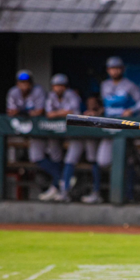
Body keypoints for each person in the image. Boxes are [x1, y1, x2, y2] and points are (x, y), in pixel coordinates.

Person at [81, 56, 140, 204]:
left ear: (122, 69)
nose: (115, 71)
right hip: (108, 125)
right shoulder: (104, 85)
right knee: (102, 161)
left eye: (117, 68)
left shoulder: (129, 85)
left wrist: (132, 110)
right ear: (108, 70)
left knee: (128, 161)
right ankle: (99, 192)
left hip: (124, 126)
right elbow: (105, 106)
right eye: (112, 68)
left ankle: (129, 195)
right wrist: (96, 112)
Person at [7, 70, 64, 201]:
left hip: (49, 128)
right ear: (17, 83)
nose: (24, 85)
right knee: (35, 156)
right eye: (21, 82)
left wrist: (21, 112)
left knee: (56, 155)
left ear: (31, 83)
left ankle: (60, 183)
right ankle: (62, 178)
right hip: (34, 131)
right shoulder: (13, 92)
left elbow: (39, 112)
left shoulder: (38, 91)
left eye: (26, 82)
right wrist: (26, 112)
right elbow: (10, 112)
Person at [43, 73, 84, 202]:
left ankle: (63, 191)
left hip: (76, 133)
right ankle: (62, 181)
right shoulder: (51, 96)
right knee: (53, 155)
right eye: (56, 86)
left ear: (66, 87)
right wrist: (63, 112)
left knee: (70, 160)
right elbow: (49, 114)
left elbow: (75, 112)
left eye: (61, 86)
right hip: (57, 133)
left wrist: (57, 113)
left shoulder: (72, 96)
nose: (58, 88)